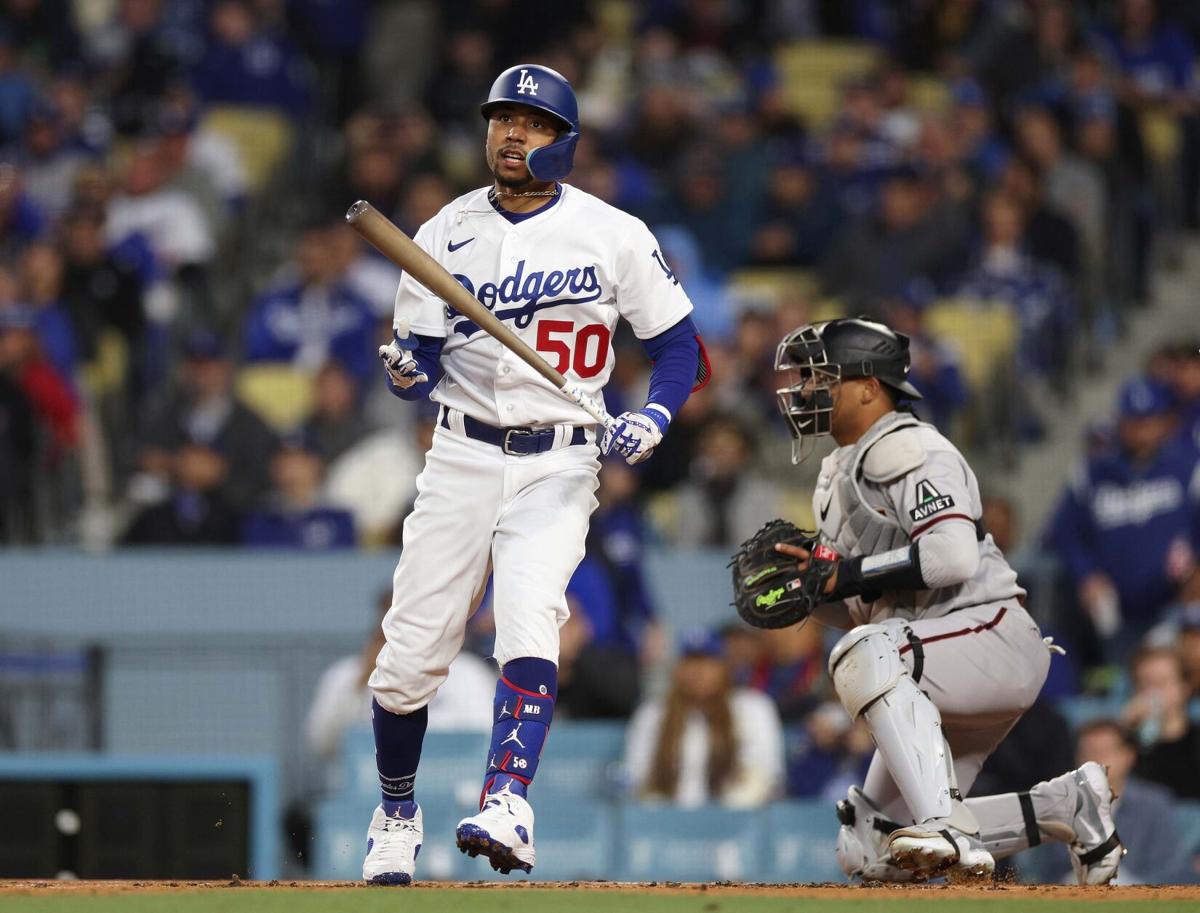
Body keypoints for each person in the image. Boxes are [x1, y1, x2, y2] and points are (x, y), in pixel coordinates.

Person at [362, 64, 706, 884]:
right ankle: (397, 810)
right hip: (462, 451)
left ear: (566, 141)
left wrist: (653, 416)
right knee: (410, 654)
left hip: (561, 456)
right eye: (502, 119)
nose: (512, 133)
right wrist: (408, 369)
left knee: (530, 616)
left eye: (533, 122)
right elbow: (420, 350)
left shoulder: (613, 232)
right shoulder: (445, 229)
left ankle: (508, 798)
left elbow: (680, 346)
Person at [756, 317, 1122, 883]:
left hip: (989, 634)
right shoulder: (837, 472)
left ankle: (941, 818)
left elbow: (952, 558)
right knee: (872, 848)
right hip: (929, 659)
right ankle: (1064, 808)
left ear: (868, 387)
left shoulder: (909, 446)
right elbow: (860, 603)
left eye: (819, 376)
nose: (805, 390)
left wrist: (846, 574)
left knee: (863, 655)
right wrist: (810, 593)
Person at [1046, 377, 1200, 653]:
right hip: (1113, 609)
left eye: (1148, 421)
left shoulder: (1188, 467)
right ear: (1120, 421)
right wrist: (1086, 574)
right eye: (1133, 421)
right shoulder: (1093, 472)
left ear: (1164, 421)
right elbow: (1066, 533)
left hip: (1174, 602)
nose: (1140, 431)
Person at [623, 630, 784, 808]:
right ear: (677, 670)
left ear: (725, 667)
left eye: (708, 662)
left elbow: (763, 773)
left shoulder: (754, 707)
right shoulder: (652, 713)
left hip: (736, 822)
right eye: (691, 662)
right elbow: (637, 776)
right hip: (667, 824)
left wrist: (715, 821)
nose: (699, 671)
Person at [1074, 719, 1196, 884]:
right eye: (1088, 752)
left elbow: (1172, 871)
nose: (1095, 760)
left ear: (1128, 756)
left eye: (1105, 751)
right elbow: (1047, 871)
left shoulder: (1155, 805)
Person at [1121, 646, 1200, 800]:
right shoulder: (1127, 742)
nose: (1154, 690)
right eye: (1146, 683)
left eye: (1162, 682)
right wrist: (1126, 730)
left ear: (1183, 688)